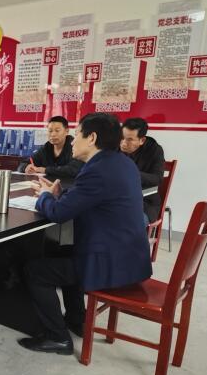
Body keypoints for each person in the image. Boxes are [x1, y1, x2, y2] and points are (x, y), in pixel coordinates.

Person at [19, 113, 152, 355]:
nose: (72, 141)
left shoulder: (98, 170)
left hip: (111, 263)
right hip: (128, 256)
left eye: (77, 134)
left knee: (35, 271)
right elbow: (88, 198)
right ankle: (75, 320)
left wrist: (45, 197)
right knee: (64, 252)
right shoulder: (120, 163)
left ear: (92, 138)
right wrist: (58, 195)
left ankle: (58, 338)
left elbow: (59, 213)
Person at [121, 117, 165, 224]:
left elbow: (157, 179)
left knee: (126, 224)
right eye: (122, 137)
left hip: (144, 203)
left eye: (130, 139)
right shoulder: (115, 148)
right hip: (116, 200)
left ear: (142, 140)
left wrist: (132, 173)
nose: (124, 143)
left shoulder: (155, 150)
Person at [16, 116, 83, 179]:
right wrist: (26, 167)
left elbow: (73, 170)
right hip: (47, 184)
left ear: (66, 131)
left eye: (57, 131)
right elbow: (23, 164)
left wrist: (45, 170)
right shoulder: (46, 148)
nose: (53, 134)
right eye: (50, 131)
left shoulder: (75, 147)